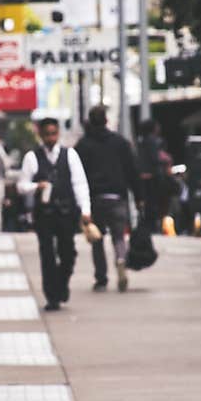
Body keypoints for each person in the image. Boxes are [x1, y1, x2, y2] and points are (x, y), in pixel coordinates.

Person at [18, 117, 91, 311]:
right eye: (47, 134)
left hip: (67, 212)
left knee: (68, 253)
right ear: (40, 135)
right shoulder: (32, 157)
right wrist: (36, 186)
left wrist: (86, 210)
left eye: (54, 133)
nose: (51, 138)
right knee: (47, 253)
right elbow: (21, 185)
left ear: (58, 133)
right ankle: (52, 296)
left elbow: (80, 183)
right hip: (44, 214)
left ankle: (62, 282)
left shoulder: (70, 155)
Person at [75, 105, 143, 292]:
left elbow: (76, 175)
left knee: (97, 239)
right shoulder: (120, 143)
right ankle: (121, 259)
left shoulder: (83, 145)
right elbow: (132, 171)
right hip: (117, 197)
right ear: (106, 120)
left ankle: (101, 278)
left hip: (94, 198)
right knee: (119, 236)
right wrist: (138, 196)